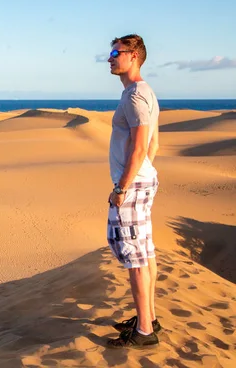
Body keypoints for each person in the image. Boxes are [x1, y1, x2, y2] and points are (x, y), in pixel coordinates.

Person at [105, 34, 161, 349]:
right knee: (144, 250)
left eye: (116, 52)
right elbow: (154, 144)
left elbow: (141, 146)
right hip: (142, 180)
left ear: (134, 56)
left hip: (132, 184)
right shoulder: (144, 92)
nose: (110, 58)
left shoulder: (135, 95)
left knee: (133, 255)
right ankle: (147, 318)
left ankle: (143, 332)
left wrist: (124, 185)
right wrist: (143, 175)